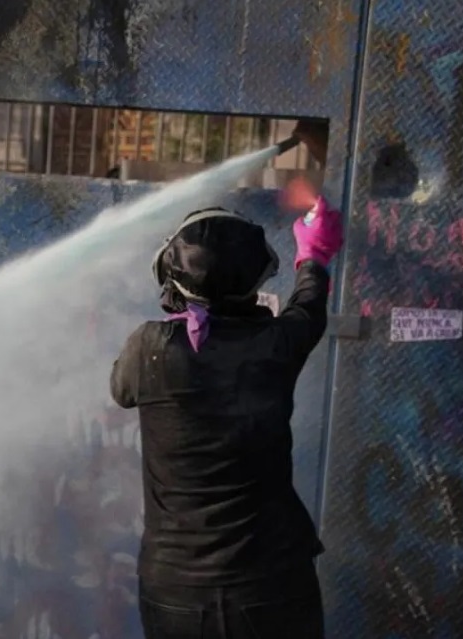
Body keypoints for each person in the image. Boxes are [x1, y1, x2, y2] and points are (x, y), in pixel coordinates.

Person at [109, 189, 344, 638]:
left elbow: (121, 390)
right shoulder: (275, 345)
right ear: (255, 279)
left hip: (175, 587)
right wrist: (313, 252)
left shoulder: (149, 348)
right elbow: (309, 304)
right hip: (271, 581)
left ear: (169, 274)